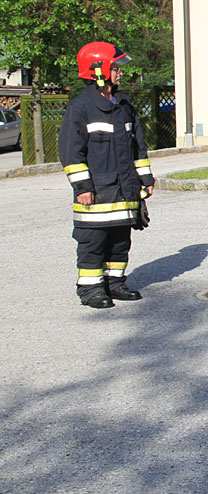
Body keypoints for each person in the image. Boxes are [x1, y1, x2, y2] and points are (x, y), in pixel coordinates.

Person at [59, 42, 154, 309]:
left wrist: (145, 179)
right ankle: (90, 289)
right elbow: (71, 152)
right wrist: (82, 187)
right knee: (93, 241)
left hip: (125, 189)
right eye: (115, 67)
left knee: (120, 240)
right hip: (97, 191)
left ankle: (115, 283)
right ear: (98, 70)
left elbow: (138, 147)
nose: (120, 72)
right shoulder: (80, 107)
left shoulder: (124, 106)